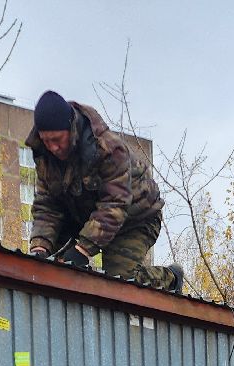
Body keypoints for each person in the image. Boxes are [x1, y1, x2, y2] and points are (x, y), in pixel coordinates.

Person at [25, 90, 182, 293]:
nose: (53, 147)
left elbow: (115, 205)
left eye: (57, 139)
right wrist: (40, 246)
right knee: (49, 269)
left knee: (119, 280)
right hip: (84, 217)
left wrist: (83, 249)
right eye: (46, 141)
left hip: (136, 218)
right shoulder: (46, 157)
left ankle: (171, 278)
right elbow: (47, 204)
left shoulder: (107, 149)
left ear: (70, 129)